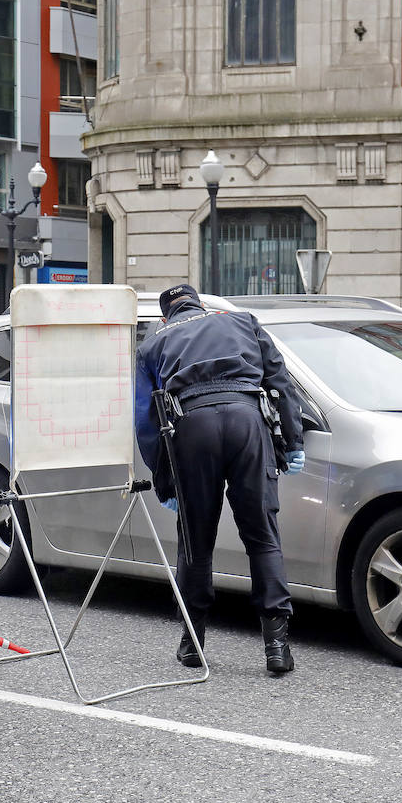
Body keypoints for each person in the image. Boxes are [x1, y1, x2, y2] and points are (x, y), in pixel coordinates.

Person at [133, 284, 305, 674]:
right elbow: (281, 385)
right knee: (262, 535)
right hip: (248, 420)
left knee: (196, 540)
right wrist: (292, 441)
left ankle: (192, 645)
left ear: (166, 316)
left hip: (192, 429)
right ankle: (277, 647)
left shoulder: (153, 343)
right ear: (201, 305)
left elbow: (145, 420)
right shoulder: (243, 321)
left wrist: (164, 480)